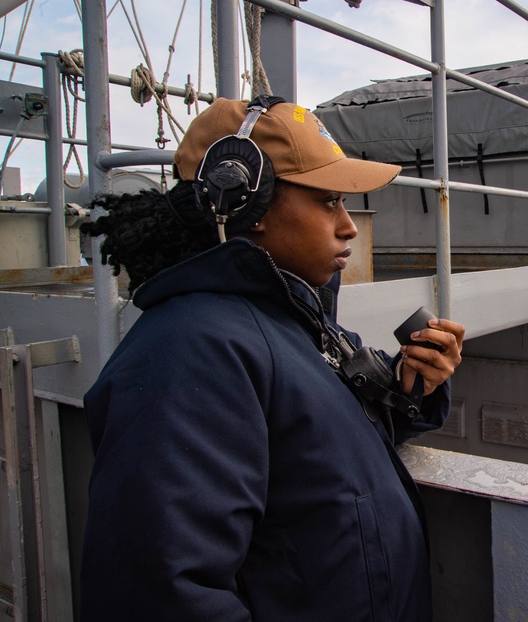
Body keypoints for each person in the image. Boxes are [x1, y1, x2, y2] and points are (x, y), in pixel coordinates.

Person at [79, 96, 464, 621]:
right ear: (245, 202)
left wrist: (407, 385)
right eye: (329, 200)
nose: (349, 225)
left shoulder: (290, 323)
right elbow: (162, 596)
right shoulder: (190, 353)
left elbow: (317, 451)